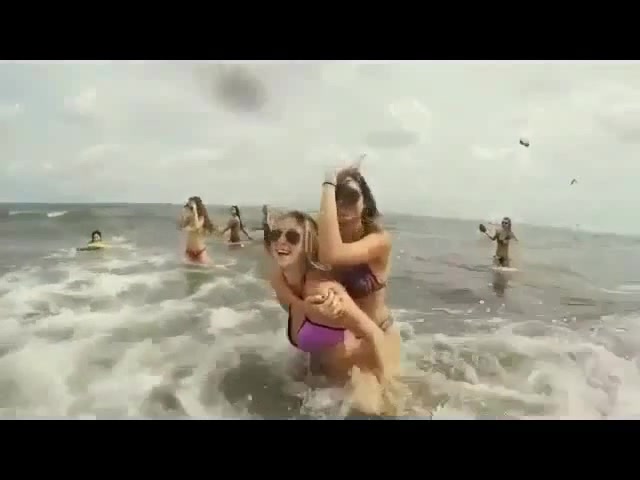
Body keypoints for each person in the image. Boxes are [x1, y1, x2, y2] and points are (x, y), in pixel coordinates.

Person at [268, 210, 388, 385]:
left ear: (308, 246)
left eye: (293, 237)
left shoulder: (323, 292)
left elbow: (375, 335)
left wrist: (388, 389)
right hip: (319, 380)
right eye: (275, 234)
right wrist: (305, 307)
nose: (281, 240)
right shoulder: (279, 278)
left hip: (354, 382)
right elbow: (292, 300)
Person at [317, 164, 401, 377]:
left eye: (351, 196)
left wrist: (329, 180)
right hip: (338, 342)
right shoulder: (321, 237)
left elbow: (331, 255)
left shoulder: (379, 240)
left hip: (376, 339)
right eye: (337, 197)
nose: (342, 204)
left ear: (365, 202)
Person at [178, 196, 216, 264]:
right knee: (185, 269)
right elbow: (181, 226)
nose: (190, 207)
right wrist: (182, 214)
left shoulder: (201, 218)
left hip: (199, 252)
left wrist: (195, 210)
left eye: (191, 205)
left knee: (207, 268)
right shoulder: (189, 218)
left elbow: (196, 226)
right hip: (189, 251)